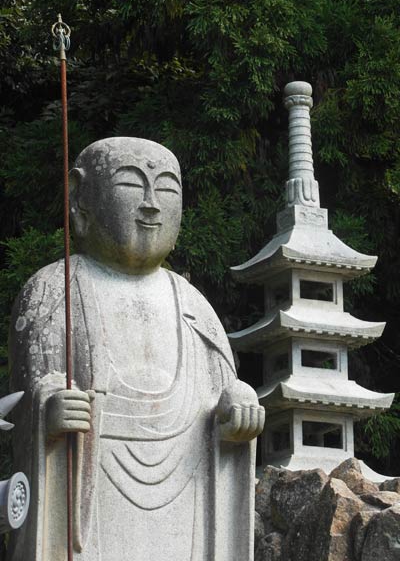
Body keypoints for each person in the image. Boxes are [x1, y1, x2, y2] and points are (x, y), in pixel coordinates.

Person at [7, 137, 264, 561]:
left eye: (165, 189)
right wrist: (47, 414)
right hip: (89, 516)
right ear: (80, 199)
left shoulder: (196, 309)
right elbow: (24, 408)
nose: (151, 205)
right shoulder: (53, 292)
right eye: (131, 185)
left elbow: (221, 404)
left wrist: (237, 411)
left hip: (186, 513)